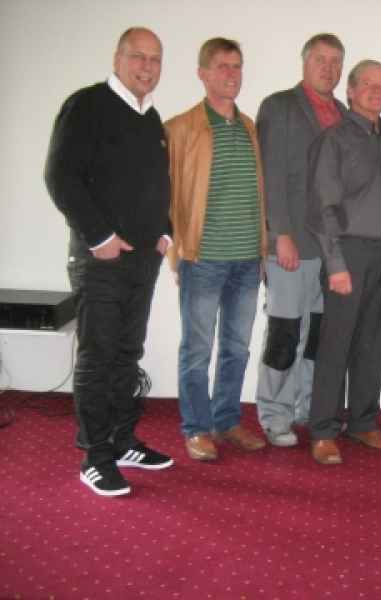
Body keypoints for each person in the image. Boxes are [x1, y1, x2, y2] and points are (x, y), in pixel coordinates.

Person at [45, 27, 173, 496]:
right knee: (98, 357)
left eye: (155, 59)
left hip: (142, 261)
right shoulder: (86, 105)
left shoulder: (151, 118)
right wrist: (99, 236)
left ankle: (122, 441)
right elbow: (60, 177)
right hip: (100, 260)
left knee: (127, 353)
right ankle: (95, 456)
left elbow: (158, 184)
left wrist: (165, 232)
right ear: (118, 58)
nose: (147, 67)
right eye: (138, 56)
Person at [165, 37, 267, 461]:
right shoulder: (180, 129)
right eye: (222, 66)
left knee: (237, 348)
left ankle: (226, 420)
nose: (231, 74)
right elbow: (166, 198)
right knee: (197, 349)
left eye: (236, 66)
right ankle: (196, 428)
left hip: (248, 259)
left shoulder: (249, 128)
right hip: (203, 258)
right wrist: (175, 251)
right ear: (202, 73)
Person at [305, 60, 381, 465]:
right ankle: (323, 431)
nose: (376, 91)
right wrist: (335, 264)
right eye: (367, 84)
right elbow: (322, 208)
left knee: (373, 342)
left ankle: (364, 423)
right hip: (347, 254)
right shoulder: (334, 140)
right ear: (349, 91)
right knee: (336, 344)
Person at [254, 33, 346, 447]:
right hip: (291, 245)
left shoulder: (344, 114)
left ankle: (309, 407)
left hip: (332, 251)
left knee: (318, 336)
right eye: (320, 59)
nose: (328, 68)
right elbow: (270, 175)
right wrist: (280, 235)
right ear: (304, 62)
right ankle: (275, 415)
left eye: (335, 61)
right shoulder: (280, 107)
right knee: (285, 332)